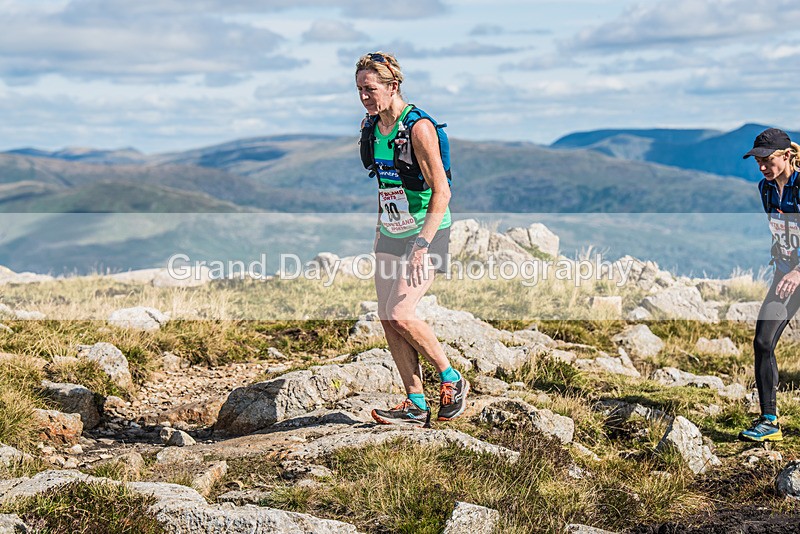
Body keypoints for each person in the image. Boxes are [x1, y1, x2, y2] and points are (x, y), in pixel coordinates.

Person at [355, 52, 468, 427]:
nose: (365, 97)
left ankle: (451, 378)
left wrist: (422, 244)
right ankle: (415, 403)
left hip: (426, 232)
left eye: (370, 89)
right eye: (359, 90)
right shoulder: (373, 129)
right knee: (387, 317)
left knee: (402, 313)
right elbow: (386, 188)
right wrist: (378, 236)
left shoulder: (417, 128)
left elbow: (442, 191)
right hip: (391, 232)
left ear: (393, 86)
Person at [740, 128, 800, 442]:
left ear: (786, 155)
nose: (762, 165)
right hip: (785, 277)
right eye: (758, 160)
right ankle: (769, 421)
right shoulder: (764, 189)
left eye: (768, 158)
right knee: (763, 342)